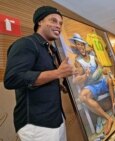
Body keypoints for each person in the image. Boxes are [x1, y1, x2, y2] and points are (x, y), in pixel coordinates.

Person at [4, 6, 74, 141]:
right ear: (39, 22)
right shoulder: (25, 44)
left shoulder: (50, 49)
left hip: (56, 118)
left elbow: (40, 75)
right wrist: (57, 73)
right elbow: (12, 79)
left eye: (60, 23)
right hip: (37, 125)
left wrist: (56, 84)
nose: (58, 26)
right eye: (53, 21)